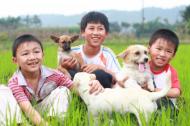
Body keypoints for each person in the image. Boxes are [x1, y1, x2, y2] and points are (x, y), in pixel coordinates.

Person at [8, 34, 104, 125]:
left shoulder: (54, 75)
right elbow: (28, 109)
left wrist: (91, 86)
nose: (32, 57)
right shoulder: (15, 82)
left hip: (47, 111)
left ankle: (56, 122)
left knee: (63, 90)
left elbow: (76, 89)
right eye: (25, 54)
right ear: (15, 60)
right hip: (25, 114)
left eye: (36, 52)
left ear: (43, 55)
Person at [62, 11, 121, 88]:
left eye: (100, 29)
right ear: (83, 32)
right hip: (77, 91)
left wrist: (100, 67)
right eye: (91, 28)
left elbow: (120, 77)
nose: (96, 33)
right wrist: (63, 67)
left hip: (100, 93)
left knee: (101, 74)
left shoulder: (108, 54)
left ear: (106, 33)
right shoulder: (71, 52)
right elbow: (57, 74)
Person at [148, 29, 181, 113]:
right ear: (149, 48)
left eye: (168, 51)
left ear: (173, 55)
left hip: (165, 107)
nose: (162, 54)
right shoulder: (142, 67)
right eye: (158, 49)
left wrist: (155, 90)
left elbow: (176, 92)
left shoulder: (170, 72)